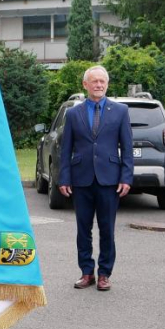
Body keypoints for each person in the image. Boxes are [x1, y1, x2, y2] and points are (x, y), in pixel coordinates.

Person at [59, 65, 133, 291]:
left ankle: (104, 274)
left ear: (107, 84)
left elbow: (127, 148)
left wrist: (126, 177)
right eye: (94, 82)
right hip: (81, 180)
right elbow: (66, 149)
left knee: (107, 229)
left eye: (102, 81)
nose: (98, 85)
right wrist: (64, 178)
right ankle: (86, 272)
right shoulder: (73, 113)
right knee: (83, 229)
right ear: (85, 85)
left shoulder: (120, 111)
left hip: (109, 180)